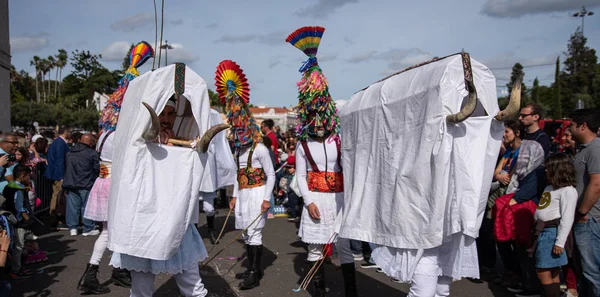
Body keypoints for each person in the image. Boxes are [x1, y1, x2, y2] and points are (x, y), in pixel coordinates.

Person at [108, 62, 223, 297]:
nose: (168, 118)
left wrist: (183, 150)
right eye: (163, 113)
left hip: (175, 222)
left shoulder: (182, 140)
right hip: (141, 225)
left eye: (172, 113)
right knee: (141, 289)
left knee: (193, 286)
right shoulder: (134, 144)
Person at [286, 26, 357, 297]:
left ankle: (352, 293)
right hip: (316, 198)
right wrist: (309, 201)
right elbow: (301, 176)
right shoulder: (303, 144)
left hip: (339, 199)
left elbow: (348, 168)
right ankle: (319, 291)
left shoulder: (339, 140)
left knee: (345, 246)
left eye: (320, 111)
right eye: (311, 112)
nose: (317, 119)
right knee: (315, 248)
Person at [76, 41, 152, 295]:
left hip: (105, 183)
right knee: (110, 233)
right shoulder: (118, 136)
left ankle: (118, 270)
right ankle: (91, 273)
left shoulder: (104, 134)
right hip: (114, 186)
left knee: (115, 231)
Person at [215, 60, 275, 290]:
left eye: (240, 128)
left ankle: (253, 272)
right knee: (247, 235)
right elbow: (240, 176)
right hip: (244, 195)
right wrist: (234, 195)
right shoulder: (238, 149)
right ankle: (253, 267)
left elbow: (270, 175)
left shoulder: (259, 149)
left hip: (258, 194)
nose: (237, 132)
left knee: (255, 234)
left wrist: (267, 198)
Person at [529, 153, 577, 297]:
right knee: (552, 270)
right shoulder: (550, 187)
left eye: (549, 168)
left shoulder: (568, 191)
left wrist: (560, 242)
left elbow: (567, 218)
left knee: (543, 271)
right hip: (543, 233)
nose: (545, 170)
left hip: (552, 233)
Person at [569, 109, 600, 296]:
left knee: (592, 272)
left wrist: (582, 212)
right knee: (585, 273)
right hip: (582, 219)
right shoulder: (584, 149)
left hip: (589, 220)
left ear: (583, 126)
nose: (569, 130)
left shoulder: (595, 148)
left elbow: (596, 184)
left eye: (572, 126)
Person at [62, 134, 100, 236]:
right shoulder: (91, 153)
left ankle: (73, 228)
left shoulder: (70, 152)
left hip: (71, 182)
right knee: (86, 207)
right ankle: (87, 228)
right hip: (85, 182)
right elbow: (97, 169)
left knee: (72, 207)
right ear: (90, 142)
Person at [2, 165, 34, 279]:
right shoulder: (19, 190)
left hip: (8, 219)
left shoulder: (9, 186)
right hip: (17, 221)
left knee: (12, 245)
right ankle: (16, 269)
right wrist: (27, 219)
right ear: (22, 175)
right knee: (18, 246)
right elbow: (20, 208)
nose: (29, 178)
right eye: (28, 176)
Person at [43, 126, 70, 219]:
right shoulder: (60, 143)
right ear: (66, 132)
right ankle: (54, 215)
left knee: (57, 194)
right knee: (57, 194)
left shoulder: (58, 142)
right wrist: (61, 176)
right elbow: (60, 160)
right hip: (58, 174)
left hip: (56, 173)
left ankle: (55, 214)